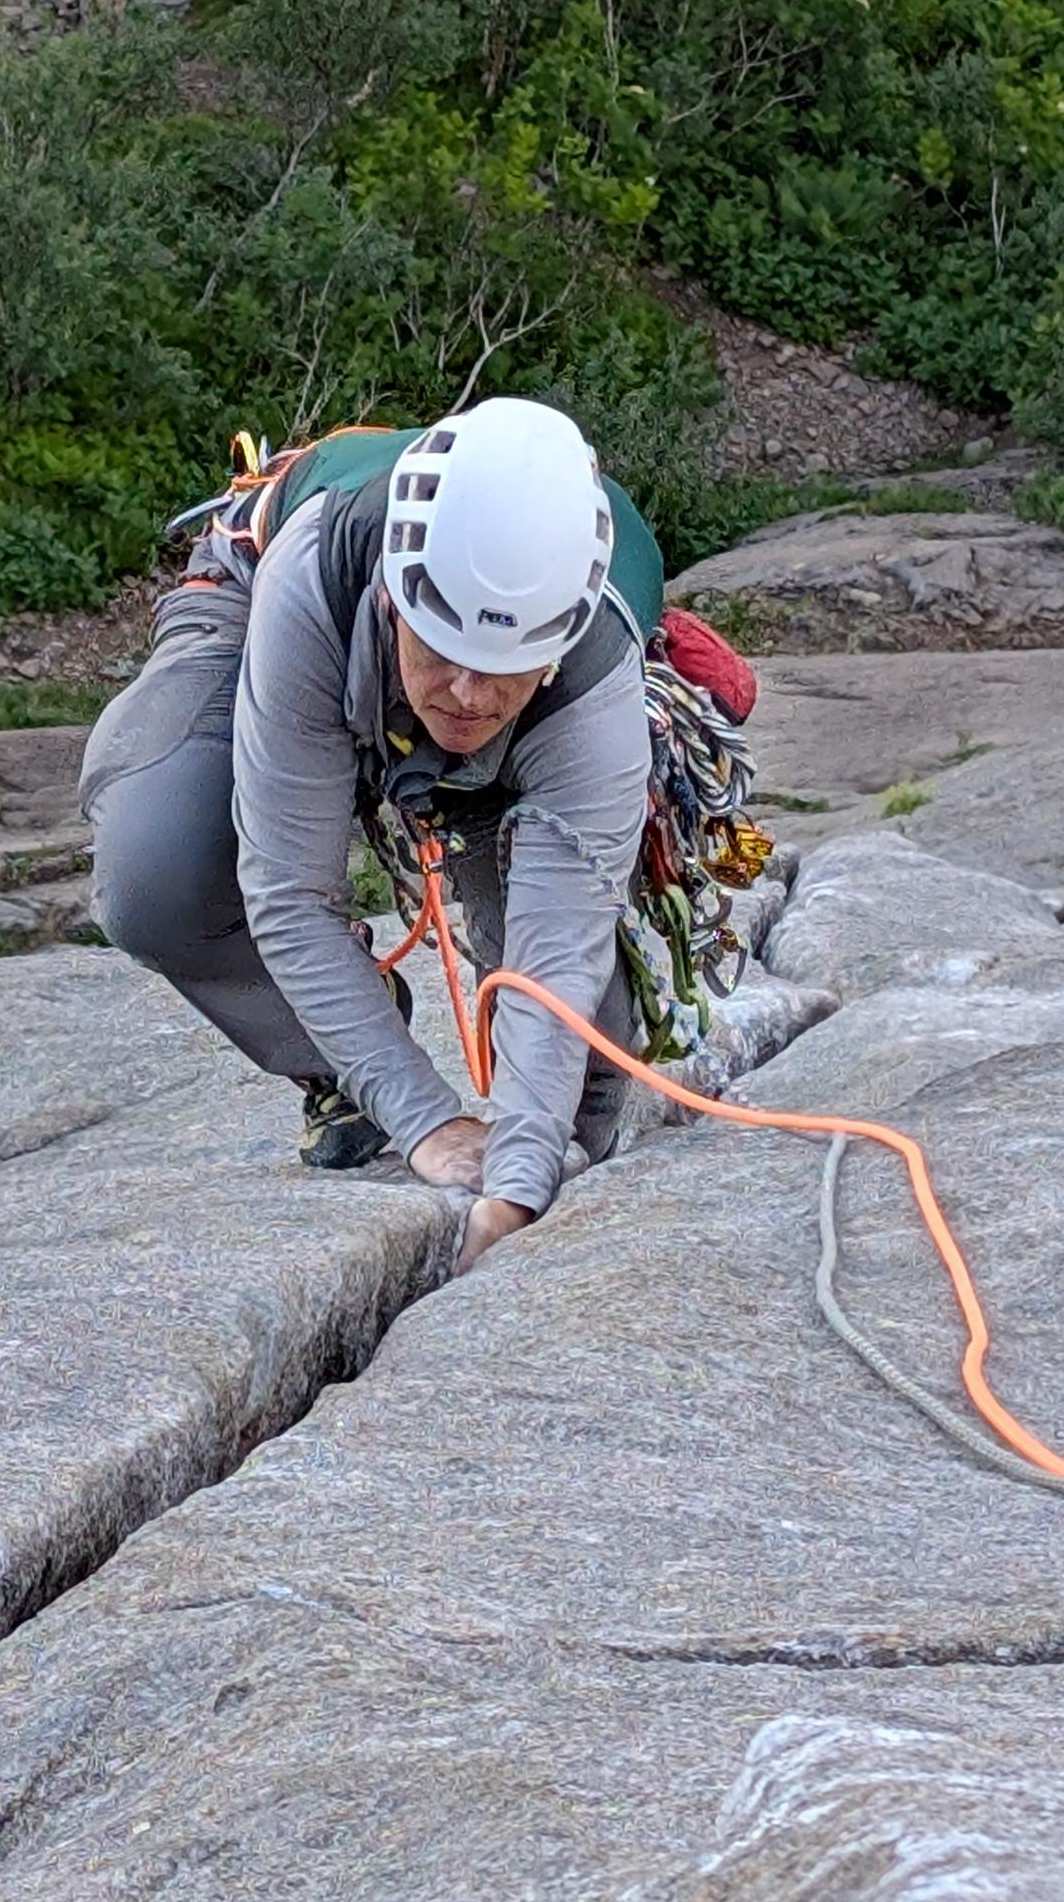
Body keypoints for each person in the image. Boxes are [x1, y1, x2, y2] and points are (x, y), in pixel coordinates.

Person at [78, 396, 664, 1273]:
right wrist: (422, 1119)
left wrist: (517, 1182)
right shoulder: (320, 575)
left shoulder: (594, 679)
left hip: (524, 712)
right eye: (440, 653)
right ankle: (334, 1052)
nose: (466, 695)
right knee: (159, 872)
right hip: (274, 602)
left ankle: (522, 1117)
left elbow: (556, 952)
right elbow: (288, 895)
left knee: (583, 1077)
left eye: (499, 671)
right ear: (393, 597)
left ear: (553, 648)